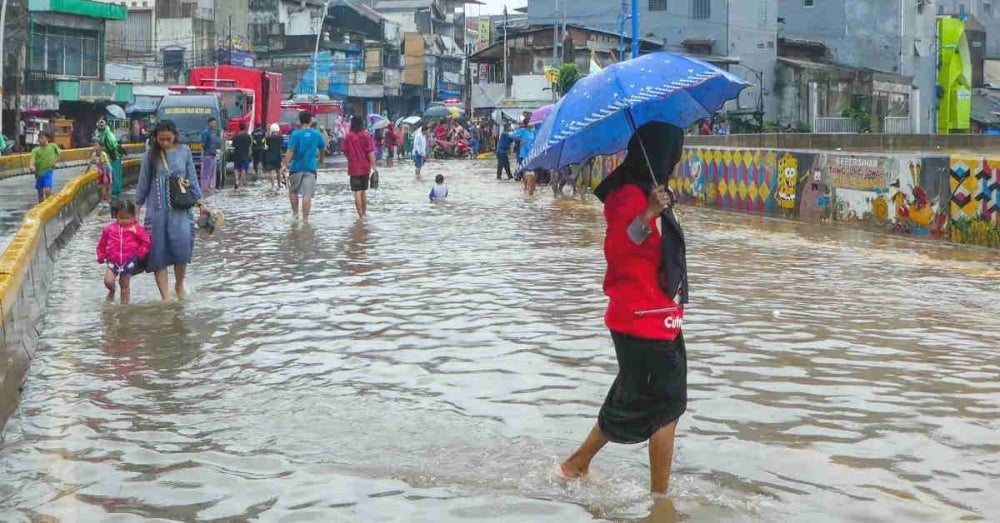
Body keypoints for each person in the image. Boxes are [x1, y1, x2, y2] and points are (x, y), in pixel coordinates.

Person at [558, 122, 688, 495]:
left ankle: (576, 464)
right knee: (668, 408)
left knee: (629, 397)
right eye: (674, 154)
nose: (675, 162)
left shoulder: (645, 191)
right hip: (644, 321)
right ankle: (660, 504)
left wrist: (657, 208)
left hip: (656, 316)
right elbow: (619, 247)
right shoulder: (629, 196)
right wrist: (648, 213)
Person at [135, 120, 212, 301]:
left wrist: (201, 205)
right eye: (161, 140)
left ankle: (179, 284)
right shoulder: (149, 156)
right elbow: (142, 184)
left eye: (168, 139)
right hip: (156, 213)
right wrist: (136, 213)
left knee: (182, 250)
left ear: (175, 136)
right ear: (155, 138)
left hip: (181, 212)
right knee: (158, 254)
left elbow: (192, 179)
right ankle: (165, 298)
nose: (165, 143)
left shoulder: (184, 152)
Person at [96, 199, 150, 305]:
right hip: (113, 260)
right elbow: (102, 244)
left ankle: (124, 307)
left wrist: (140, 254)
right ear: (115, 216)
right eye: (121, 218)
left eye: (127, 218)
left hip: (128, 261)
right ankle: (112, 290)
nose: (125, 221)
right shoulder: (109, 229)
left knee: (124, 284)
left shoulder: (136, 229)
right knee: (108, 281)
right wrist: (101, 256)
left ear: (133, 216)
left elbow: (146, 242)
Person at [282, 111, 327, 220]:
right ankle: (305, 219)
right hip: (311, 168)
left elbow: (290, 151)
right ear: (310, 120)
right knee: (307, 194)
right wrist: (321, 160)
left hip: (296, 167)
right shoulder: (317, 134)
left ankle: (296, 214)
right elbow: (323, 148)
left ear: (300, 121)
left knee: (293, 191)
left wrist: (284, 165)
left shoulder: (296, 134)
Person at [342, 115, 377, 218]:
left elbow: (344, 151)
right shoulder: (366, 135)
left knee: (357, 192)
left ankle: (360, 216)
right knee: (363, 191)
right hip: (365, 167)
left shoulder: (348, 136)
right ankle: (364, 214)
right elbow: (371, 152)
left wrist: (350, 158)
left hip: (353, 168)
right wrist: (374, 166)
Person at [29, 131, 60, 203]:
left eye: (42, 138)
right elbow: (32, 160)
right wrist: (31, 166)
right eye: (39, 138)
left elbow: (59, 155)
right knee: (40, 192)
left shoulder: (53, 146)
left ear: (48, 139)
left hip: (48, 171)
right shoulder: (35, 150)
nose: (40, 140)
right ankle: (41, 205)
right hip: (39, 173)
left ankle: (48, 203)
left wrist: (54, 161)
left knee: (47, 189)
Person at [95, 120, 124, 198]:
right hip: (110, 158)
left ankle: (115, 193)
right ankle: (112, 193)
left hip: (114, 158)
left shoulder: (108, 135)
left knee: (114, 176)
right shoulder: (104, 134)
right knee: (111, 176)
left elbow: (113, 147)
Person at [87, 140, 113, 205]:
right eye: (94, 145)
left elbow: (104, 165)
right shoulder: (94, 154)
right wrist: (86, 172)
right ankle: (103, 200)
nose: (94, 146)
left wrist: (105, 176)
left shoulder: (103, 154)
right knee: (102, 186)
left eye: (96, 145)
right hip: (101, 171)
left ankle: (108, 200)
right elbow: (90, 163)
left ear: (100, 147)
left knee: (108, 186)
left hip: (107, 171)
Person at [200, 117, 222, 191]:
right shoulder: (206, 133)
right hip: (207, 154)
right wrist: (202, 154)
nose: (215, 124)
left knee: (212, 171)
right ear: (209, 123)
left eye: (215, 123)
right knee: (206, 171)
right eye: (214, 123)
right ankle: (205, 187)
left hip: (212, 154)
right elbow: (203, 144)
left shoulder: (213, 133)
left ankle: (209, 186)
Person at [232, 123, 252, 189]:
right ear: (245, 128)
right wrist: (249, 153)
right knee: (244, 169)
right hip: (245, 155)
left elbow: (233, 145)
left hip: (237, 154)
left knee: (236, 168)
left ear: (239, 128)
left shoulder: (236, 136)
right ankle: (240, 183)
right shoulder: (248, 136)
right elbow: (250, 145)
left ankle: (236, 181)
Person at [264, 123, 285, 188]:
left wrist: (267, 130)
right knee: (278, 171)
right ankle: (279, 185)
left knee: (271, 171)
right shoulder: (281, 138)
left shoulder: (268, 138)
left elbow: (266, 145)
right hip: (278, 156)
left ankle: (273, 185)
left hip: (270, 156)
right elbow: (281, 145)